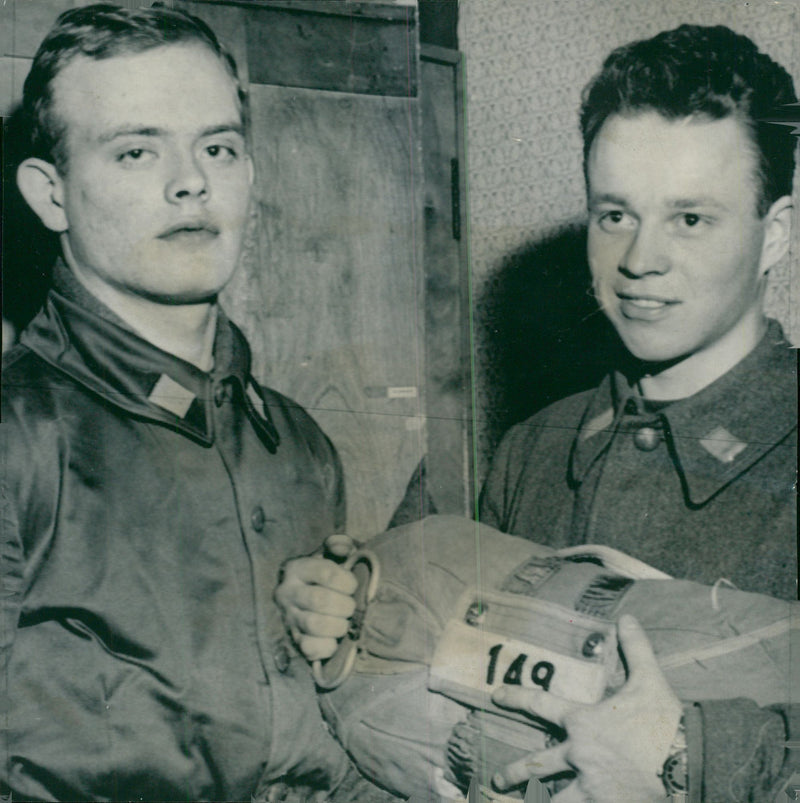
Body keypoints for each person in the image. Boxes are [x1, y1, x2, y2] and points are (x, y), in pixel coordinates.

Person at [279, 24, 798, 802]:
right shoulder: (528, 449)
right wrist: (331, 614)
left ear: (774, 235)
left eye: (691, 218)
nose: (639, 259)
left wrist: (690, 757)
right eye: (615, 214)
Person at [0, 5, 393, 801]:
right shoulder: (19, 435)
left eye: (218, 146)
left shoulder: (299, 444)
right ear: (51, 195)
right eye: (137, 150)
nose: (192, 181)